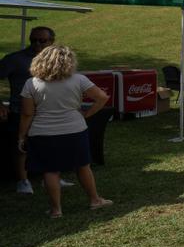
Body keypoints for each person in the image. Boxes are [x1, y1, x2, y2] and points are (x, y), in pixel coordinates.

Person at [17, 45, 112, 217]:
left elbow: (27, 113)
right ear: (69, 61)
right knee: (83, 166)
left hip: (42, 132)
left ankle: (56, 210)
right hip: (75, 129)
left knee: (50, 170)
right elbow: (102, 98)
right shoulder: (79, 79)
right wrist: (85, 114)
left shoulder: (31, 83)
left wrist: (22, 135)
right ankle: (95, 200)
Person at [1, 26, 58, 194]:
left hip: (48, 111)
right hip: (21, 111)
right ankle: (23, 181)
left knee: (50, 145)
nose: (37, 44)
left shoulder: (55, 60)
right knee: (22, 146)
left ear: (51, 41)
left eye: (42, 40)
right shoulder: (15, 59)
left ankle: (52, 176)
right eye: (33, 40)